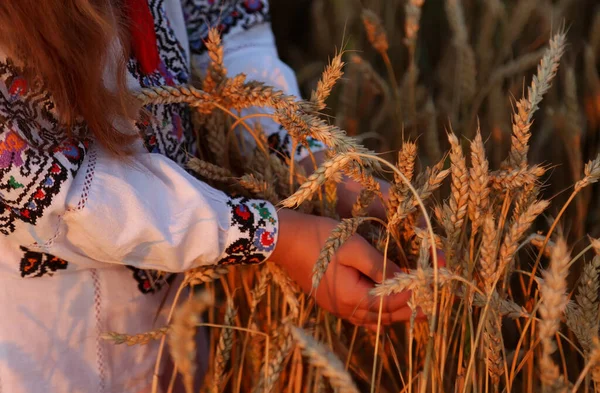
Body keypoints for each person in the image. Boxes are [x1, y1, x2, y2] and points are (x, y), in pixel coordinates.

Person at [0, 1, 416, 392]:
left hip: (178, 321)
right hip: (43, 350)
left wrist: (309, 162)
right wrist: (274, 236)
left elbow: (224, 39)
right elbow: (56, 195)